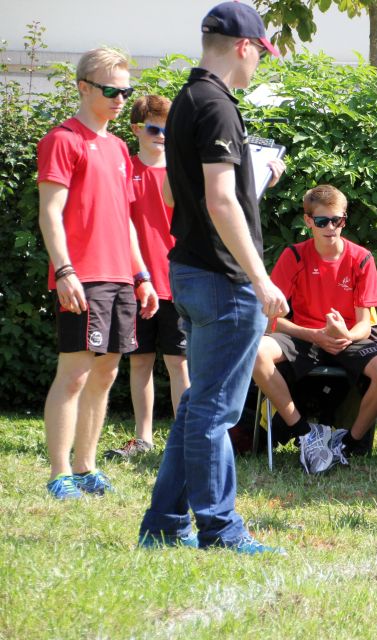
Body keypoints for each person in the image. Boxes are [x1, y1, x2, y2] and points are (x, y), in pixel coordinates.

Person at [138, 2, 288, 553]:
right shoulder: (219, 106)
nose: (258, 64)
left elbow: (173, 191)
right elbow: (221, 201)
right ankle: (221, 529)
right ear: (245, 47)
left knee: (200, 404)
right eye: (260, 54)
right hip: (225, 279)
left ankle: (163, 524)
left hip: (191, 270)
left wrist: (253, 181)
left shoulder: (185, 100)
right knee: (215, 410)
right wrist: (260, 278)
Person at [37, 47, 159, 500]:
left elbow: (125, 220)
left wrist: (142, 275)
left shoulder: (119, 149)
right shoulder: (62, 140)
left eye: (126, 91)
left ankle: (86, 467)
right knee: (74, 374)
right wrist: (64, 270)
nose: (120, 99)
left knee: (106, 373)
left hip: (120, 278)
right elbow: (50, 213)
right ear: (84, 87)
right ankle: (59, 473)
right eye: (111, 91)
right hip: (82, 275)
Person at [252, 185, 377, 473]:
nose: (331, 228)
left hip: (349, 337)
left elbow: (365, 324)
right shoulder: (294, 256)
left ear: (344, 219)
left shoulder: (362, 258)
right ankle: (305, 434)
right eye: (322, 221)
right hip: (305, 335)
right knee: (256, 353)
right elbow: (270, 320)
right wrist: (314, 335)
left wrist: (344, 335)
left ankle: (348, 443)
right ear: (308, 221)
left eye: (338, 220)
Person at [106, 95, 190, 460]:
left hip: (177, 281)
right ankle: (143, 439)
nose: (163, 136)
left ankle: (184, 439)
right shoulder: (124, 169)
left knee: (178, 363)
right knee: (139, 361)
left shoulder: (183, 171)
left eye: (169, 130)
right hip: (135, 282)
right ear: (136, 129)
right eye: (155, 129)